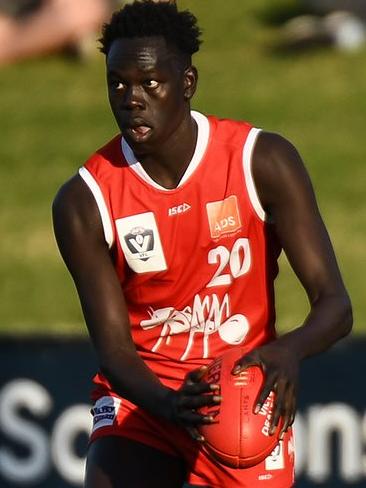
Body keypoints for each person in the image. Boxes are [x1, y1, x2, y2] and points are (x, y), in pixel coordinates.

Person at [52, 1, 352, 487]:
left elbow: (335, 306)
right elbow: (116, 355)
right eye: (118, 83)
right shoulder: (85, 201)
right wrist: (169, 405)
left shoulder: (262, 161)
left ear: (187, 83)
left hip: (241, 398)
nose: (131, 98)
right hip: (144, 403)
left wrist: (289, 351)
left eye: (150, 83)